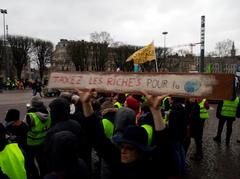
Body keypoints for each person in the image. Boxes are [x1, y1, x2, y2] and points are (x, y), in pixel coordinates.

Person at [76, 88, 171, 179]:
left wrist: (155, 111)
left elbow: (164, 148)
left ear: (140, 151)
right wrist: (86, 103)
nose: (123, 150)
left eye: (129, 148)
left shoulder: (151, 170)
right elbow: (97, 138)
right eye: (121, 146)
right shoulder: (117, 160)